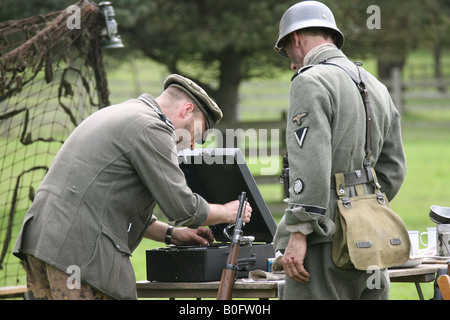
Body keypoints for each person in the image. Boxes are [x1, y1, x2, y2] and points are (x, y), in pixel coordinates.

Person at [13, 74, 252, 300]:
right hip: (77, 254)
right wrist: (229, 212)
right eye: (196, 135)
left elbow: (109, 204)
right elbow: (184, 209)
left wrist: (172, 234)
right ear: (186, 110)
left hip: (42, 244)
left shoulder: (126, 113)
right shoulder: (153, 127)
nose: (191, 146)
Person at [272, 1, 406, 299]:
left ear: (296, 38)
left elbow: (310, 165)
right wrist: (364, 210)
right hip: (371, 239)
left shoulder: (310, 81)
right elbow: (393, 170)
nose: (293, 63)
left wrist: (298, 232)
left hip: (324, 241)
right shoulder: (376, 86)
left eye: (287, 53)